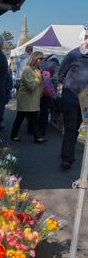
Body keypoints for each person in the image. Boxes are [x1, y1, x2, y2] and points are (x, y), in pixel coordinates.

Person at [58, 30, 88, 169]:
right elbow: (61, 74)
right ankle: (66, 159)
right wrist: (69, 87)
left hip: (85, 100)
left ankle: (70, 154)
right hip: (70, 96)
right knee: (70, 127)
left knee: (77, 128)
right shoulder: (74, 54)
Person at [10, 51, 45, 143]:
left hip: (32, 100)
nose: (42, 61)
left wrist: (41, 79)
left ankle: (37, 137)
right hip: (26, 100)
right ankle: (15, 135)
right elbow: (31, 87)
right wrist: (38, 78)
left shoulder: (35, 70)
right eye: (40, 59)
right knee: (21, 118)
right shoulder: (27, 70)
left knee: (32, 119)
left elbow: (38, 85)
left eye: (43, 59)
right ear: (35, 59)